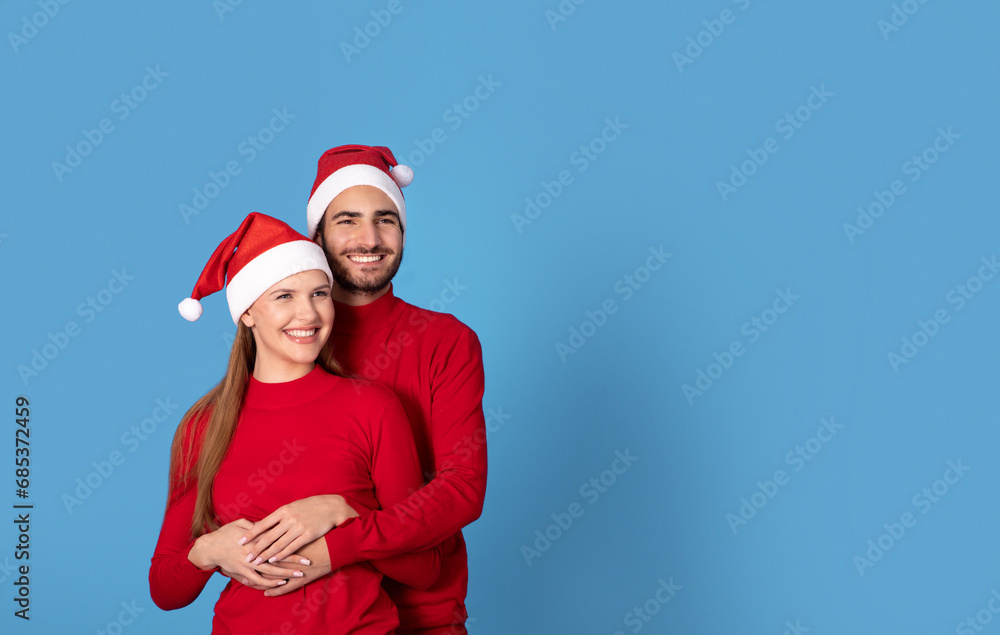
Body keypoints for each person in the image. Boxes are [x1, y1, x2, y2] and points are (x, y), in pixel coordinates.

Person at [149, 212, 441, 634]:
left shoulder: (373, 407)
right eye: (284, 296)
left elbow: (423, 568)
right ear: (247, 313)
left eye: (319, 293)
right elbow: (165, 588)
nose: (308, 314)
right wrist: (208, 550)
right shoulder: (205, 425)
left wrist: (346, 514)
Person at [238, 145, 488, 635]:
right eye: (347, 220)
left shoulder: (446, 341)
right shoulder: (284, 336)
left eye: (386, 220)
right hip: (303, 617)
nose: (368, 238)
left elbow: (462, 487)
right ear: (317, 235)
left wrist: (345, 525)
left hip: (423, 615)